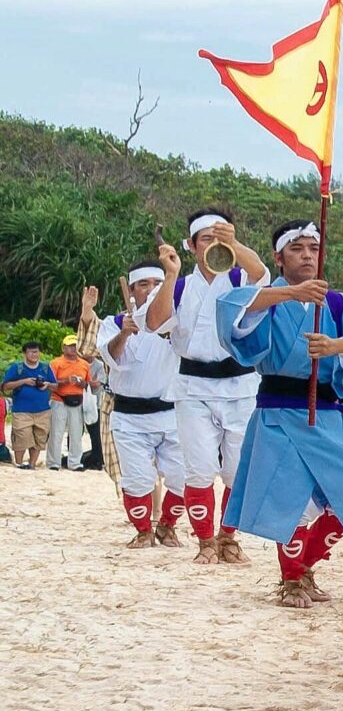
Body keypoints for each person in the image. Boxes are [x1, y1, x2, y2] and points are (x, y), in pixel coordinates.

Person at [217, 220, 343, 607]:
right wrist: (290, 294)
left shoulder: (336, 303)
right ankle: (292, 581)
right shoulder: (268, 299)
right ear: (278, 257)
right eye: (297, 248)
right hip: (279, 413)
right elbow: (234, 312)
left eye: (313, 248)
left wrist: (334, 345)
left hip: (328, 411)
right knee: (287, 500)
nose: (308, 255)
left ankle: (304, 564)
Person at [170, 207, 264, 564]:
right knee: (199, 467)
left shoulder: (239, 278)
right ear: (192, 246)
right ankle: (205, 541)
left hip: (240, 385)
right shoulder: (181, 286)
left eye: (217, 236)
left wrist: (233, 243)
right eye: (205, 238)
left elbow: (260, 272)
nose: (212, 244)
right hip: (193, 386)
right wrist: (169, 275)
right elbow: (157, 322)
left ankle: (228, 537)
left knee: (237, 470)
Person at [94, 258, 187, 548]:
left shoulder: (177, 322)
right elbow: (111, 358)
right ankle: (144, 530)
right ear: (132, 291)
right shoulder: (113, 323)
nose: (150, 290)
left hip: (170, 413)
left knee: (184, 478)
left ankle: (168, 526)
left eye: (157, 284)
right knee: (136, 480)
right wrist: (124, 332)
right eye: (143, 285)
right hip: (129, 416)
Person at [48, 330, 93, 472]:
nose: (72, 349)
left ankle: (74, 462)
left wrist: (81, 383)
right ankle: (53, 462)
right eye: (69, 346)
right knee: (56, 432)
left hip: (77, 400)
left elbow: (89, 384)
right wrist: (65, 381)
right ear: (63, 348)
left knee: (76, 433)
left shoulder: (84, 364)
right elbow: (50, 383)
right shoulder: (56, 363)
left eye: (75, 346)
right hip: (59, 399)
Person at [6, 343, 55, 469]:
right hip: (22, 410)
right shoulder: (17, 368)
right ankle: (19, 464)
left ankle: (32, 464)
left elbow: (56, 386)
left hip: (42, 410)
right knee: (21, 437)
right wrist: (24, 381)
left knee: (39, 438)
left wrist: (47, 384)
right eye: (31, 352)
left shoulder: (45, 367)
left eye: (37, 352)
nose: (34, 354)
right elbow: (5, 386)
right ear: (25, 353)